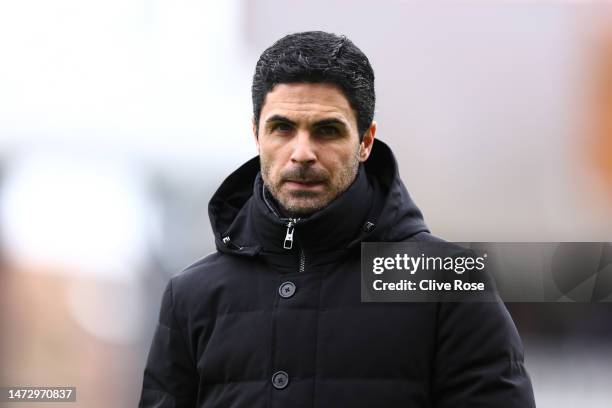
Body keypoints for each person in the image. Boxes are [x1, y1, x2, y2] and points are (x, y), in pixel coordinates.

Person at [139, 31, 535, 407]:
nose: (302, 153)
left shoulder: (447, 281)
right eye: (282, 128)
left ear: (365, 141)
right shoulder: (191, 297)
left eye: (326, 130)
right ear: (257, 135)